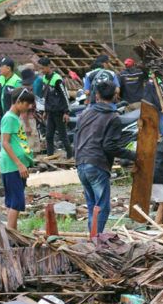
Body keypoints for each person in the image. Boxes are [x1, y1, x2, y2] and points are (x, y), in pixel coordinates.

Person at [74, 80, 136, 234]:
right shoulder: (113, 117)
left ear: (97, 95)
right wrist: (133, 155)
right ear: (115, 96)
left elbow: (76, 137)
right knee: (102, 207)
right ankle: (96, 240)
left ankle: (93, 239)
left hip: (81, 162)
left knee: (92, 206)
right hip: (96, 164)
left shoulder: (85, 113)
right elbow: (109, 147)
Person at [0, 88, 35, 230]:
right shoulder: (9, 118)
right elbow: (5, 143)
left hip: (15, 165)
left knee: (12, 202)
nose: (29, 107)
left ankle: (12, 235)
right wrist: (19, 164)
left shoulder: (15, 117)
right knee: (17, 202)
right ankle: (11, 237)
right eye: (27, 104)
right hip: (12, 166)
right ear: (18, 102)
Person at [37, 58, 72, 158]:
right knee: (49, 136)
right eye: (40, 68)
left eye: (42, 68)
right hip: (50, 111)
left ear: (48, 66)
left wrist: (66, 112)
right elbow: (45, 95)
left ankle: (70, 155)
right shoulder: (44, 78)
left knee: (63, 135)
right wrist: (45, 110)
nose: (41, 70)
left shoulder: (57, 79)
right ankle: (50, 156)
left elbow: (65, 95)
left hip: (59, 111)